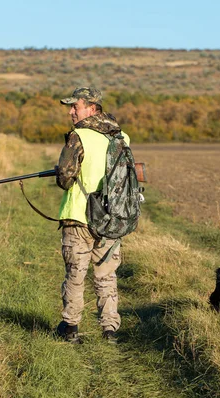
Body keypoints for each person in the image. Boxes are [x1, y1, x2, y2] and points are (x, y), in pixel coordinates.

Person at [55, 87, 130, 344]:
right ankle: (110, 330)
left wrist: (62, 173)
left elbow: (65, 178)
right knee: (106, 275)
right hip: (111, 219)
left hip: (79, 217)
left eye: (75, 106)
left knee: (76, 274)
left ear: (92, 108)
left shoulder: (79, 136)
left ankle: (70, 328)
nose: (71, 111)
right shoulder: (121, 137)